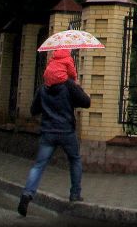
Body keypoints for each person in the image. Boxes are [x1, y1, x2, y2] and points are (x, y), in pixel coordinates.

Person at [18, 49, 90, 216]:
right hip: (66, 132)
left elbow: (33, 110)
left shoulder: (43, 88)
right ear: (66, 66)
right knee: (75, 160)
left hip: (47, 133)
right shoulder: (69, 86)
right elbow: (86, 102)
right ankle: (75, 194)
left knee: (39, 165)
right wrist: (77, 87)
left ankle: (27, 193)